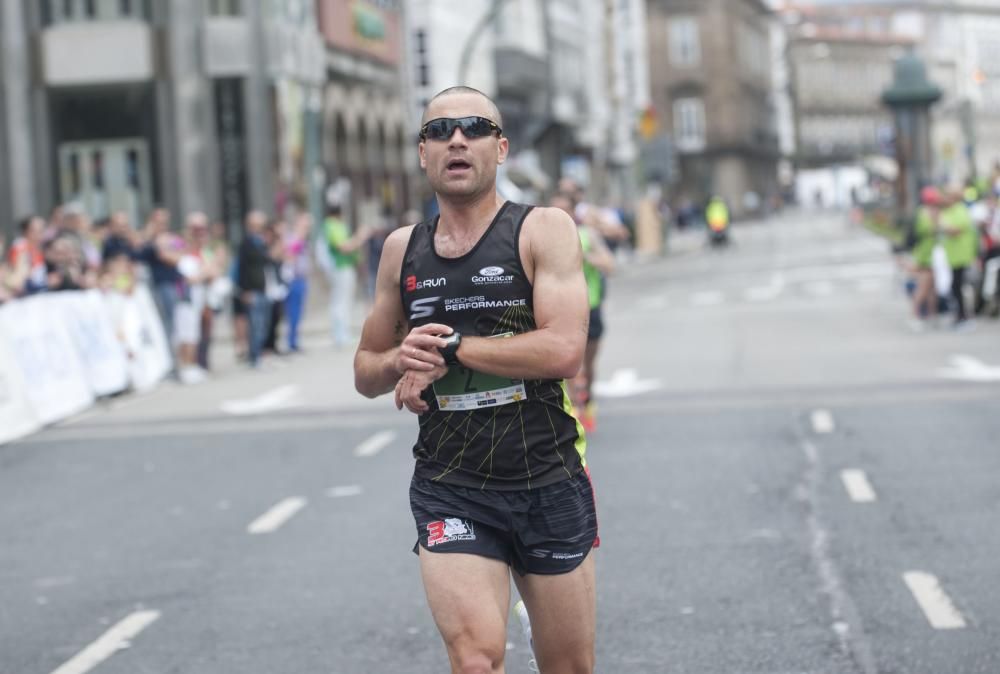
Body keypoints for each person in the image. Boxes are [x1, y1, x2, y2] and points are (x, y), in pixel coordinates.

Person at [354, 86, 597, 674]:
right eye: (439, 131)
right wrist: (399, 362)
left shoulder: (543, 229)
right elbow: (366, 369)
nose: (456, 139)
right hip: (450, 479)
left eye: (473, 128)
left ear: (502, 147)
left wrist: (455, 349)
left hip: (547, 470)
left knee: (568, 665)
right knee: (475, 659)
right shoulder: (400, 250)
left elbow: (565, 350)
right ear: (422, 154)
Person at [552, 192, 615, 433]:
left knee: (588, 365)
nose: (560, 216)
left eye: (564, 210)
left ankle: (588, 400)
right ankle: (574, 408)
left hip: (591, 307)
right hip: (561, 312)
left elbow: (610, 266)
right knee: (569, 365)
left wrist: (586, 256)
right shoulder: (545, 240)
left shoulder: (587, 236)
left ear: (573, 213)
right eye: (555, 210)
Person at [323, 202, 369, 348]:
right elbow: (344, 247)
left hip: (345, 266)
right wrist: (360, 237)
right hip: (339, 266)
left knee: (343, 300)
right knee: (340, 301)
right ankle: (339, 335)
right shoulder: (331, 225)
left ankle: (342, 333)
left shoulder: (334, 225)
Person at [237, 210, 272, 367]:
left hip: (263, 288)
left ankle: (259, 353)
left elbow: (267, 261)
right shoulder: (246, 243)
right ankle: (254, 356)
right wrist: (245, 290)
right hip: (252, 290)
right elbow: (242, 269)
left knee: (263, 323)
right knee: (256, 324)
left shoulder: (261, 241)